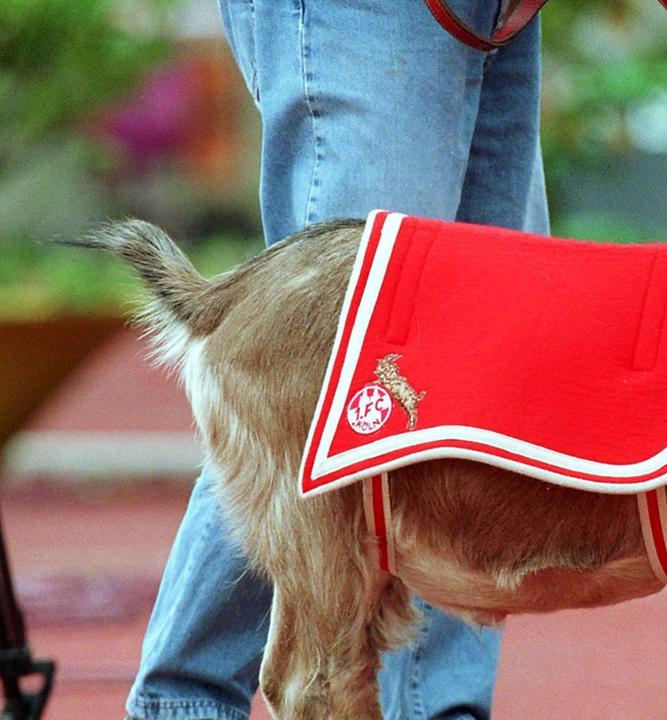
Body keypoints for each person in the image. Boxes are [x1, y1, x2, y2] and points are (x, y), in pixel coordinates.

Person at [125, 1, 547, 718]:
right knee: (324, 375)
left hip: (501, 16)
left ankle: (436, 708)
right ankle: (186, 704)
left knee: (475, 371)